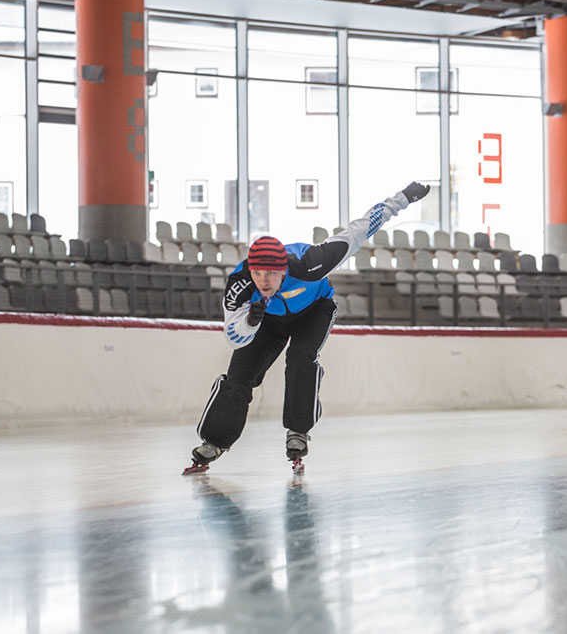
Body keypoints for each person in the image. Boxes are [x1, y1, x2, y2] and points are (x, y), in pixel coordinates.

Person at [184, 181, 431, 474]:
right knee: (240, 375)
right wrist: (251, 320)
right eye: (258, 273)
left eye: (272, 274)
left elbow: (363, 227)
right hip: (267, 320)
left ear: (285, 269)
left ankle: (298, 431)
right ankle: (214, 440)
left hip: (314, 311)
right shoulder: (239, 285)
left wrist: (402, 198)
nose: (264, 281)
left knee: (301, 358)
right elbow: (233, 337)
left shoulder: (314, 263)